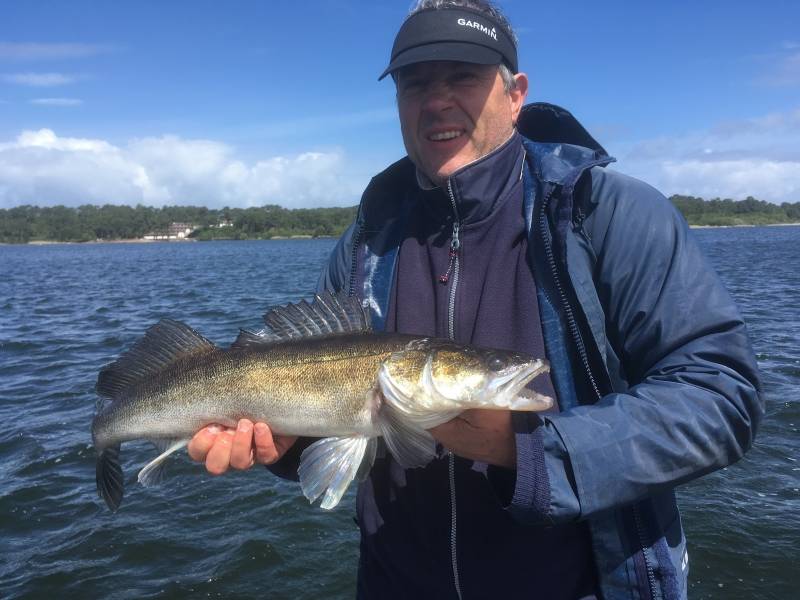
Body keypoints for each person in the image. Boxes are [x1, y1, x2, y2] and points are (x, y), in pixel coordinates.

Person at [188, 1, 763, 598]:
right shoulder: (367, 241)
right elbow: (333, 415)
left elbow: (722, 398)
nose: (436, 100)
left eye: (462, 74)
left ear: (515, 93)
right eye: (415, 82)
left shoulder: (611, 213)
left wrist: (532, 454)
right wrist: (283, 442)